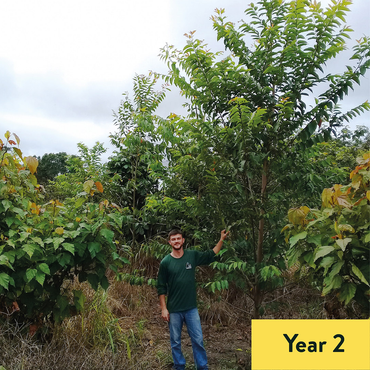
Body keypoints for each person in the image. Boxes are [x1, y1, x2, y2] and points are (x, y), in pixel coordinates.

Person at [157, 229, 229, 370]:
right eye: (173, 239)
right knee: (176, 341)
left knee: (197, 340)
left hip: (191, 308)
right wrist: (164, 308)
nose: (176, 241)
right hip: (174, 310)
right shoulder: (165, 262)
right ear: (169, 242)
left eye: (179, 238)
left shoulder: (192, 256)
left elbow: (211, 254)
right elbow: (161, 287)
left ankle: (202, 367)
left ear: (183, 240)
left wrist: (221, 239)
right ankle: (179, 366)